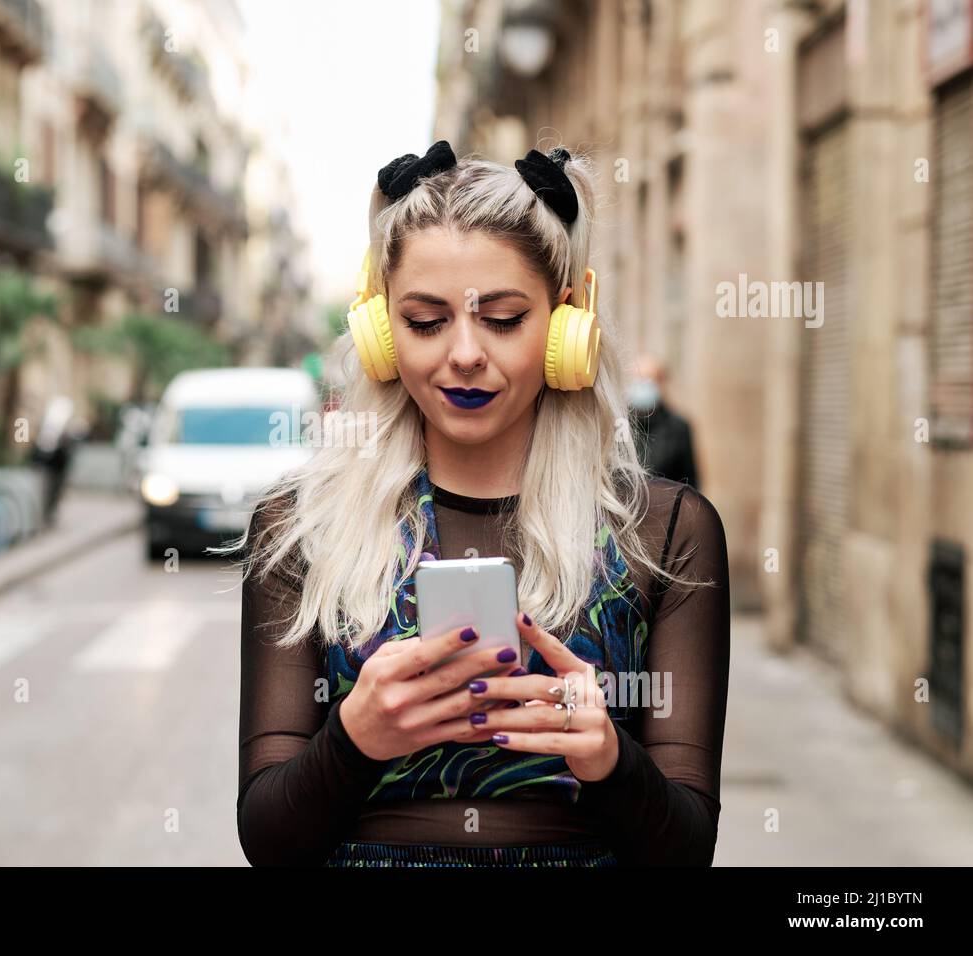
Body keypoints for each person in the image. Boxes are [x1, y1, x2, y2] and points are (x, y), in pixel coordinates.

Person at [221, 140, 730, 867]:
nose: (464, 353)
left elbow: (687, 849)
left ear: (566, 325)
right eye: (426, 322)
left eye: (503, 318)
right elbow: (269, 841)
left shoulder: (665, 531)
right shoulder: (302, 529)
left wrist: (611, 761)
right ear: (380, 333)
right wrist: (354, 740)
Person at [627, 353, 701, 489]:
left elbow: (691, 482)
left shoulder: (678, 428)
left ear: (661, 383)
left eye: (648, 379)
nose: (642, 384)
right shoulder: (618, 424)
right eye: (638, 378)